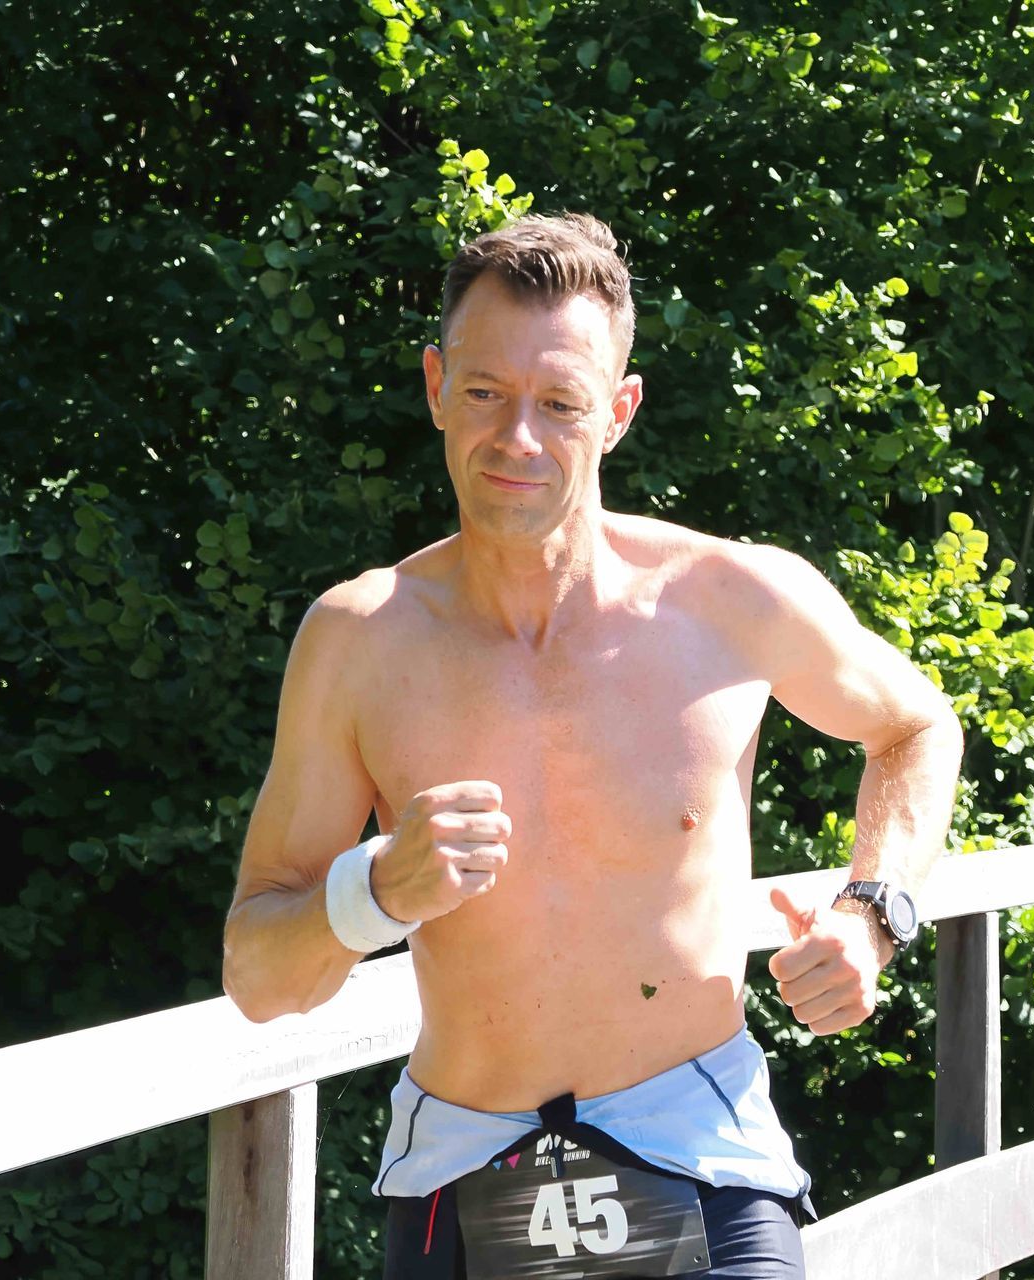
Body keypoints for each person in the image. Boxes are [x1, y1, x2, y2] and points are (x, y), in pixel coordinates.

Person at [222, 213, 963, 1278]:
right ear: (436, 386)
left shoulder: (728, 599)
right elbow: (257, 973)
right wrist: (375, 890)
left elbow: (917, 725)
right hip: (463, 1170)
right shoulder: (360, 641)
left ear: (618, 412)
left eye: (561, 403)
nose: (517, 438)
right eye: (485, 392)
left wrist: (873, 913)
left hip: (700, 1152)